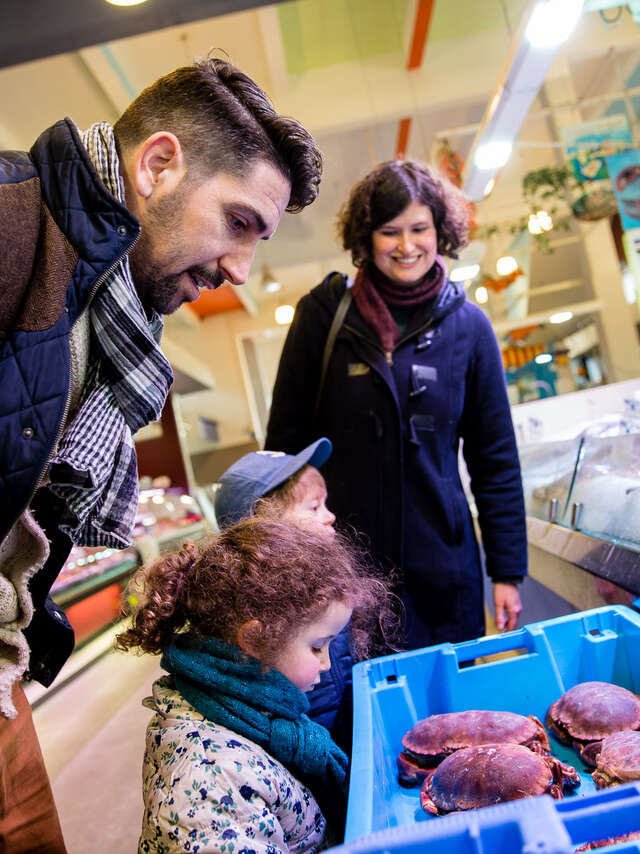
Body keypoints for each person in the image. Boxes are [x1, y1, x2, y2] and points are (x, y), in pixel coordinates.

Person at [0, 56, 322, 852]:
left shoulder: (114, 317)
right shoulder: (9, 223)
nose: (239, 268)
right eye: (239, 222)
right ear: (157, 165)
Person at [265, 159, 527, 653]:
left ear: (440, 230)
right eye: (390, 231)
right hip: (343, 572)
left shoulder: (469, 328)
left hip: (445, 571)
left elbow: (495, 461)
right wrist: (287, 568)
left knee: (450, 696)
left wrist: (507, 572)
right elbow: (283, 452)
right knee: (352, 693)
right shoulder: (322, 317)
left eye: (419, 229)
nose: (407, 246)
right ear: (366, 238)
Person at [116, 517, 392, 852]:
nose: (326, 664)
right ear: (254, 639)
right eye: (317, 647)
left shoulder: (254, 707)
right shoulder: (211, 783)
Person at [214, 439, 354, 752]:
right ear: (265, 529)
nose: (330, 516)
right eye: (314, 507)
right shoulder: (259, 608)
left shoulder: (325, 580)